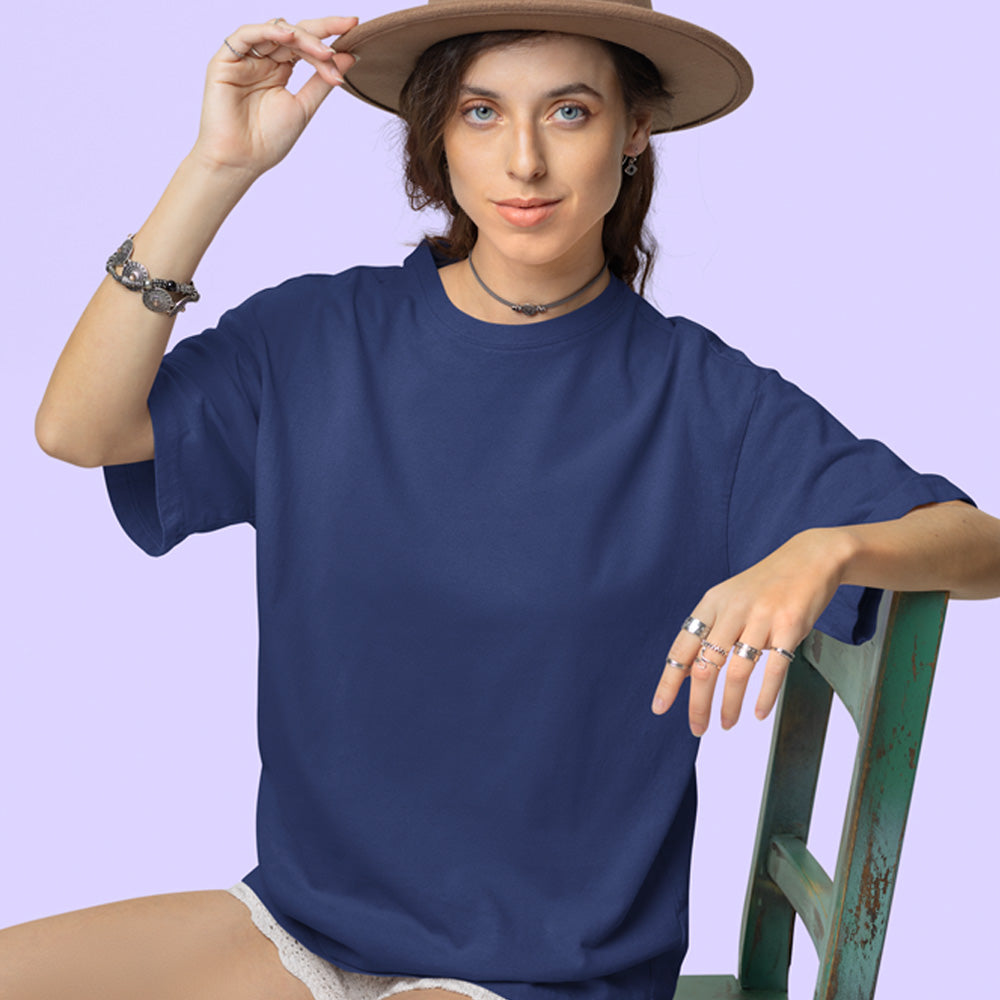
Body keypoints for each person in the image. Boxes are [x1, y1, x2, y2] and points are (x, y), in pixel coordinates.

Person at [9, 2, 1000, 1000]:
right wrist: (217, 167)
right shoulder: (317, 337)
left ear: (634, 129)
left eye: (569, 112)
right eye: (481, 112)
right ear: (438, 133)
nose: (523, 161)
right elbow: (79, 430)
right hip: (309, 922)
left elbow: (979, 546)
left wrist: (824, 550)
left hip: (548, 969)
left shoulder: (703, 402)